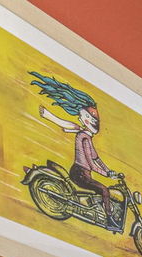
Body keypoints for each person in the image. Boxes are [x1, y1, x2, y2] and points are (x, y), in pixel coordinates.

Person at [30, 72, 123, 227]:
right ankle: (109, 219)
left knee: (103, 189)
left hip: (82, 172)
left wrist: (111, 172)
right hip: (80, 172)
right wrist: (105, 174)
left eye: (95, 120)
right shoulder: (84, 137)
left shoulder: (87, 137)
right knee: (105, 191)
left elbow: (97, 159)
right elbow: (91, 164)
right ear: (83, 118)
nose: (94, 122)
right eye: (91, 119)